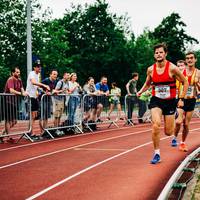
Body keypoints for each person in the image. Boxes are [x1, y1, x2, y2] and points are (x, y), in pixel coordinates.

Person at [137, 43, 188, 164]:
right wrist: (140, 91)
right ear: (154, 55)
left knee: (168, 132)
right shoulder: (150, 69)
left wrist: (181, 98)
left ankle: (174, 113)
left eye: (161, 52)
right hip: (156, 100)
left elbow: (185, 82)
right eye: (156, 53)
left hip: (170, 102)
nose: (158, 54)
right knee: (156, 125)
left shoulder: (172, 68)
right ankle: (157, 154)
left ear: (165, 53)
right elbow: (148, 83)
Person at [172, 53, 200, 151]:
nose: (189, 60)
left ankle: (183, 143)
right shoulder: (181, 72)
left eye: (191, 58)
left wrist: (197, 83)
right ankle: (174, 137)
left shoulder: (198, 73)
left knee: (186, 124)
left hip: (192, 100)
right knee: (179, 122)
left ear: (195, 60)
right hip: (181, 99)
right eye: (187, 58)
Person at [2, 67, 28, 143]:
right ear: (13, 73)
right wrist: (21, 94)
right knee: (8, 120)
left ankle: (2, 134)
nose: (18, 73)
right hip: (7, 101)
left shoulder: (19, 80)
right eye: (16, 72)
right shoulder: (10, 79)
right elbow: (11, 90)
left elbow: (22, 88)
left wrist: (25, 93)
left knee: (14, 121)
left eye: (19, 72)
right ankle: (9, 137)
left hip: (15, 102)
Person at [26, 63, 50, 140]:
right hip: (30, 96)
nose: (40, 69)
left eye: (40, 68)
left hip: (35, 97)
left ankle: (31, 132)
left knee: (35, 116)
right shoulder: (32, 73)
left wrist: (43, 90)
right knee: (33, 116)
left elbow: (37, 87)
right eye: (38, 67)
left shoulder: (38, 75)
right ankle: (30, 133)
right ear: (34, 68)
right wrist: (44, 85)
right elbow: (33, 82)